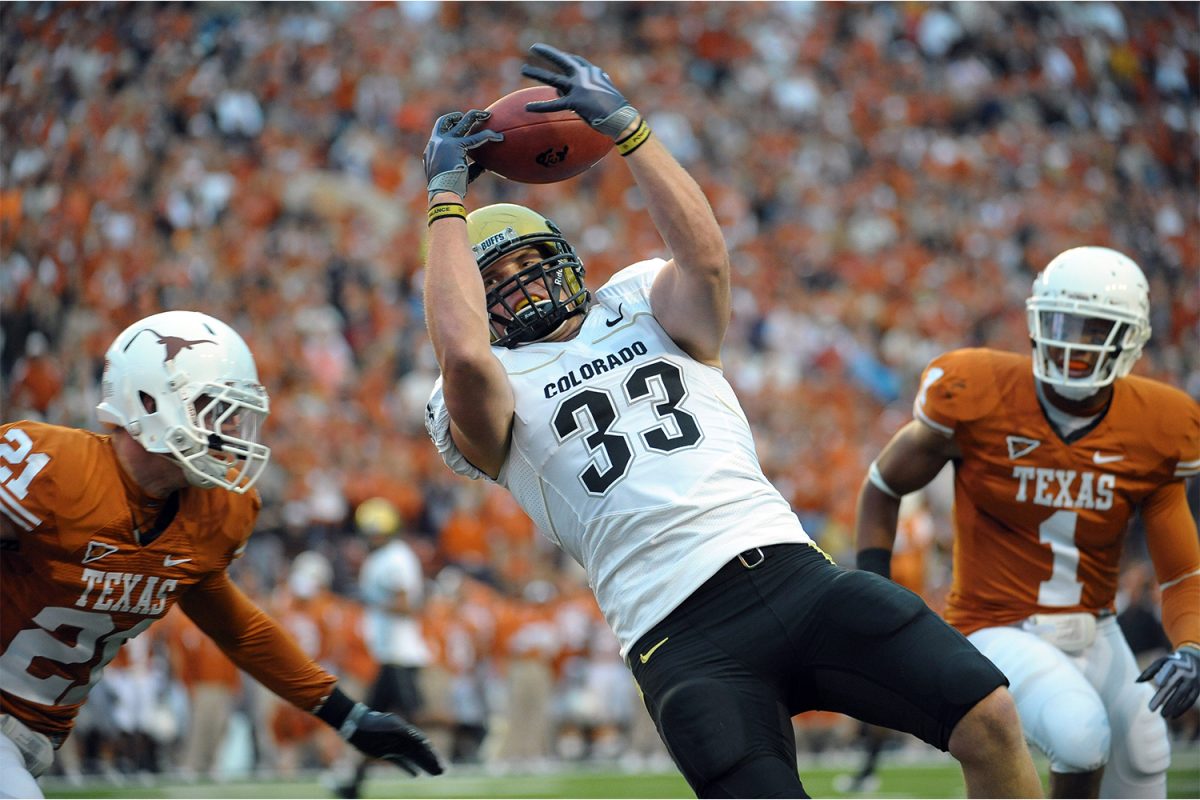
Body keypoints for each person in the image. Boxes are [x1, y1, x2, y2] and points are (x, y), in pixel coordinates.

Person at [420, 43, 1042, 797]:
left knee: (991, 716)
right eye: (499, 281)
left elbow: (708, 260)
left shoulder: (638, 299)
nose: (522, 286)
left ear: (566, 257)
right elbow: (461, 351)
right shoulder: (486, 387)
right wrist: (446, 196)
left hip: (791, 571)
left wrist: (628, 130)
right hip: (679, 635)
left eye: (530, 263)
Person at [0, 310, 443, 798]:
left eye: (235, 413)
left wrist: (346, 715)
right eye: (214, 407)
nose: (231, 428)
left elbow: (239, 628)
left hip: (33, 732)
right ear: (149, 401)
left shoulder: (216, 511)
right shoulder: (50, 468)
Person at [855, 246, 1200, 798]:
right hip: (996, 624)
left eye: (1093, 329)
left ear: (1130, 337)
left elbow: (1181, 573)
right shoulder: (976, 389)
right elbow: (883, 485)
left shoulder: (1160, 423)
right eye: (1061, 322)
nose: (1072, 342)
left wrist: (1191, 646)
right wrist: (871, 588)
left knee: (1143, 746)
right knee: (1080, 732)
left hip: (1095, 625)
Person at [332, 497, 432, 798]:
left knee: (413, 715)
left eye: (379, 531)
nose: (374, 536)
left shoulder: (396, 558)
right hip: (386, 653)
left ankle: (468, 731)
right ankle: (354, 782)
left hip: (400, 653)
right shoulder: (381, 559)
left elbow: (405, 605)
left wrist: (369, 601)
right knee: (373, 721)